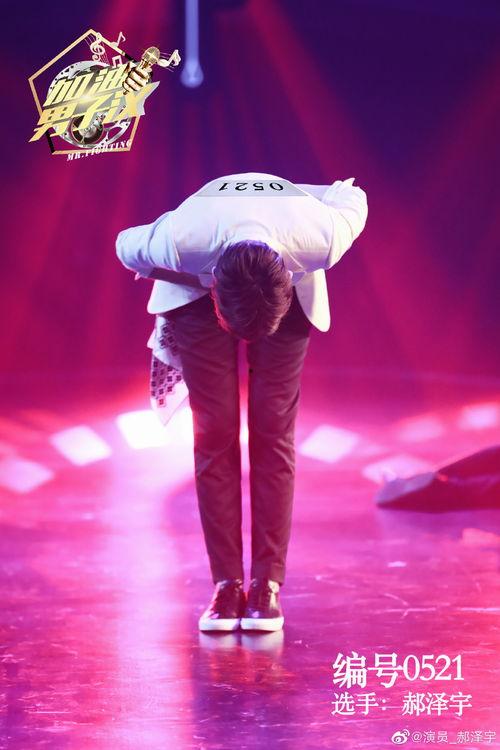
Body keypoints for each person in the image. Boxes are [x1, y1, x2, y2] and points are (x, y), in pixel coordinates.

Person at [116, 171, 368, 632]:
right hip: (194, 291)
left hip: (273, 278)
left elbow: (351, 195)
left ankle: (267, 583)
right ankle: (227, 583)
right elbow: (124, 245)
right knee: (214, 430)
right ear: (217, 293)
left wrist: (298, 195)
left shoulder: (322, 236)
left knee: (274, 429)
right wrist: (181, 271)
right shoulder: (180, 238)